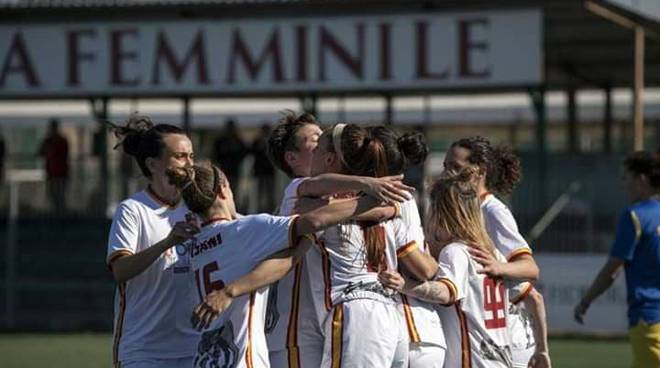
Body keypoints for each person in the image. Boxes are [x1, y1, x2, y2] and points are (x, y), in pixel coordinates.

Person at [166, 161, 384, 368]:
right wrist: (370, 201)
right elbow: (313, 221)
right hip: (242, 360)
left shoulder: (194, 246)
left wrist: (302, 246)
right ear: (223, 190)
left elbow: (280, 263)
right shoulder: (243, 230)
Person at [379, 167, 546, 368]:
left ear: (443, 214)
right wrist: (542, 349)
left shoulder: (455, 252)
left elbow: (445, 292)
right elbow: (534, 297)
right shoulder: (492, 255)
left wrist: (405, 285)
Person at [444, 136, 550, 368]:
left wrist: (498, 267)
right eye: (446, 167)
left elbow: (530, 268)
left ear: (479, 171)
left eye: (456, 168)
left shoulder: (492, 210)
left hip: (506, 333)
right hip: (484, 332)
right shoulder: (462, 209)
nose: (448, 174)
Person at [106, 116, 200, 368]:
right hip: (145, 351)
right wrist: (167, 243)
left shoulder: (199, 208)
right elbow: (120, 270)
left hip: (195, 348)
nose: (189, 164)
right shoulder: (133, 210)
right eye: (180, 156)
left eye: (191, 156)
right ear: (153, 164)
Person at [574, 151, 660, 368]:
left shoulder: (634, 215)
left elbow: (613, 269)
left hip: (649, 316)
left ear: (641, 179)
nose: (624, 185)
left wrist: (586, 301)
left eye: (626, 178)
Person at [213, 119, 248, 210]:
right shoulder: (222, 141)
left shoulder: (237, 140)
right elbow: (215, 153)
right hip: (223, 170)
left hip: (233, 170)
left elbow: (244, 152)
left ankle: (233, 208)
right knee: (222, 190)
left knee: (234, 191)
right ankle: (225, 208)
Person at [39, 118, 69, 214]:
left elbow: (64, 153)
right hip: (51, 173)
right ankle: (54, 211)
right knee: (52, 194)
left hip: (61, 173)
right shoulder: (48, 140)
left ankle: (60, 212)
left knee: (60, 194)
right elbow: (40, 152)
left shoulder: (62, 140)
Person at [251, 123, 276, 213]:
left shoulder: (272, 142)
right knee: (259, 192)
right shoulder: (257, 141)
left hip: (269, 170)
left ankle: (270, 208)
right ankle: (259, 209)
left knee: (270, 192)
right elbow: (252, 152)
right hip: (260, 170)